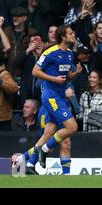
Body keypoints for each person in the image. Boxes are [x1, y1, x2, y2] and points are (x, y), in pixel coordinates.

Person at [14, 25, 82, 173]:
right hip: (51, 96)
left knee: (49, 132)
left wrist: (75, 74)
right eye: (70, 33)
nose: (73, 34)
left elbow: (66, 75)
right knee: (72, 127)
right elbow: (35, 71)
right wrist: (54, 79)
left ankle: (28, 164)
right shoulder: (50, 52)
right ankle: (43, 150)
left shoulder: (69, 54)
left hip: (61, 96)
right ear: (63, 36)